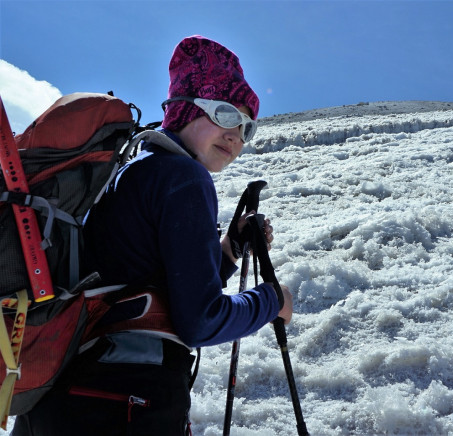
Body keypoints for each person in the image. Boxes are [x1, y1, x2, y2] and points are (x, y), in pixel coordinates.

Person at [12, 35, 293, 436]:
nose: (237, 136)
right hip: (125, 401)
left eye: (247, 126)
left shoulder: (131, 169)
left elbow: (145, 283)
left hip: (64, 398)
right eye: (226, 115)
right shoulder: (185, 177)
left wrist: (228, 251)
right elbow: (201, 321)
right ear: (186, 109)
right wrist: (272, 300)